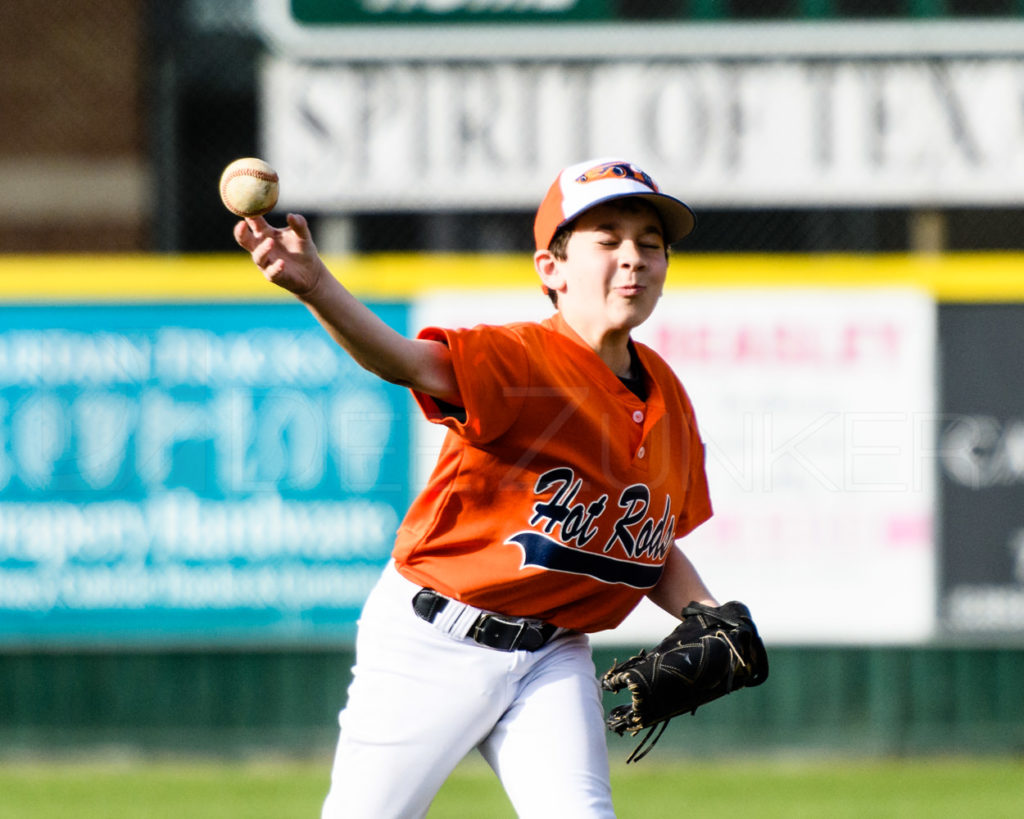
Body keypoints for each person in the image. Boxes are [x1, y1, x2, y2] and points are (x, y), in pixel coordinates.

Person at [233, 158, 719, 818]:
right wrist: (315, 284)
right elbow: (400, 360)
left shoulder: (669, 397)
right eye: (606, 239)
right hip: (430, 640)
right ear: (552, 268)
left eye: (650, 243)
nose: (632, 258)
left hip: (552, 653)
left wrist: (707, 613)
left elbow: (646, 544)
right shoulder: (519, 359)